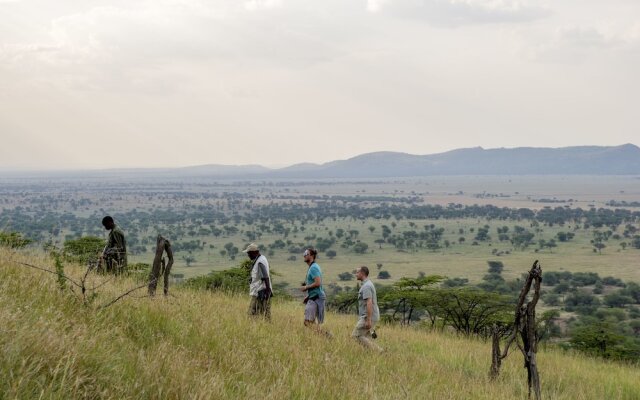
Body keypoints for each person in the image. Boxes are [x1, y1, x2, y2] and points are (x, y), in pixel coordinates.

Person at [352, 266, 383, 352]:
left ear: (362, 273)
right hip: (371, 315)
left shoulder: (366, 286)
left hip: (368, 316)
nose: (356, 274)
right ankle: (372, 355)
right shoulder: (367, 284)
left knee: (356, 335)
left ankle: (379, 351)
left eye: (357, 272)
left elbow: (369, 303)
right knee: (366, 338)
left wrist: (368, 320)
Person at [300, 247, 330, 335]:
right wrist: (308, 296)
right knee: (311, 322)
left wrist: (306, 287)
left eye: (307, 254)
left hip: (316, 297)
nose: (304, 255)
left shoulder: (313, 268)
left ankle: (326, 335)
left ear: (312, 256)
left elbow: (318, 283)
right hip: (314, 296)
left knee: (307, 322)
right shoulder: (312, 267)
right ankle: (324, 336)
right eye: (304, 254)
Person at [243, 243, 272, 320]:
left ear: (254, 252)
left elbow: (265, 276)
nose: (248, 255)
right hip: (261, 291)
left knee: (253, 313)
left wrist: (268, 290)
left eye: (249, 253)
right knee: (263, 314)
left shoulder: (260, 261)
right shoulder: (261, 259)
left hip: (261, 292)